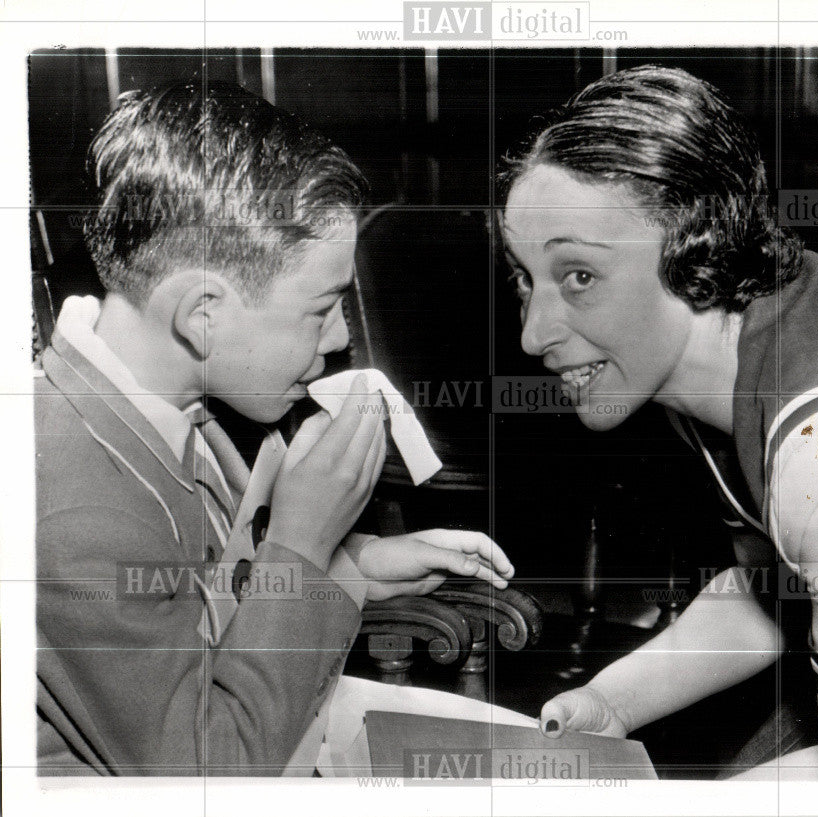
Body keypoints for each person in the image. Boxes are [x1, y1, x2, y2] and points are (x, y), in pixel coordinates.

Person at [35, 83, 514, 776]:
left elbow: (207, 598)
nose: (341, 337)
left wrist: (350, 564)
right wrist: (302, 541)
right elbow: (213, 772)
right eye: (320, 308)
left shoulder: (156, 407)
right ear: (202, 312)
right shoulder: (72, 508)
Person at [498, 65, 818, 780]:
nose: (532, 333)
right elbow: (774, 586)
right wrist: (609, 703)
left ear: (695, 249)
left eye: (579, 276)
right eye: (526, 278)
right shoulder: (718, 358)